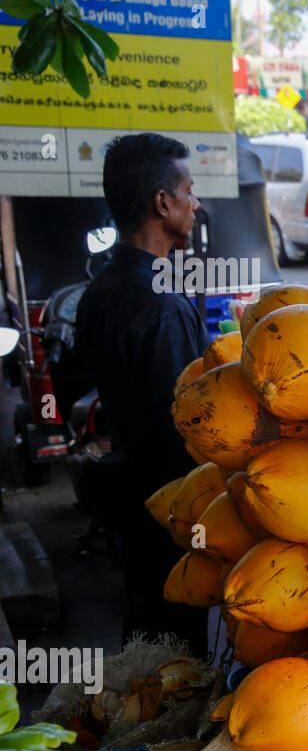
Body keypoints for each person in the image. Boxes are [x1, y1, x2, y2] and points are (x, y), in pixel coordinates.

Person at [75, 133, 211, 659]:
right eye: (189, 190)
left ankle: (133, 726)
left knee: (145, 638)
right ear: (162, 203)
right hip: (172, 505)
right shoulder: (161, 307)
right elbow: (188, 424)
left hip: (131, 492)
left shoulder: (100, 289)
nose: (195, 203)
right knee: (176, 652)